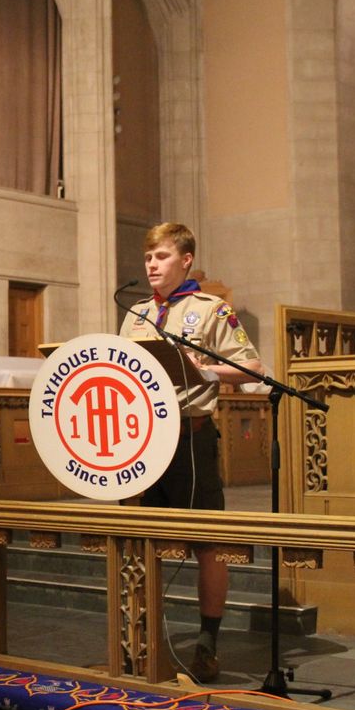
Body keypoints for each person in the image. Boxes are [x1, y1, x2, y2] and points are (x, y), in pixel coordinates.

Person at [118, 222, 265, 682]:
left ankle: (207, 643)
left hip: (190, 437)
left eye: (161, 256)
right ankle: (140, 637)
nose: (151, 265)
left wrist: (208, 372)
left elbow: (253, 367)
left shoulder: (211, 310)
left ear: (185, 260)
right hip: (142, 441)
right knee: (141, 540)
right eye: (148, 257)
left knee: (207, 543)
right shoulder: (136, 314)